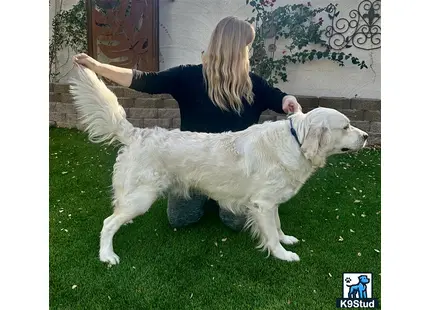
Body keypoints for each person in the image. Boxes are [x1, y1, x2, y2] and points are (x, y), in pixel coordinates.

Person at [73, 16, 300, 231]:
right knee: (180, 219)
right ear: (239, 50)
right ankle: (208, 197)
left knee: (236, 223)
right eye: (246, 47)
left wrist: (287, 100)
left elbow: (278, 98)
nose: (247, 51)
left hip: (235, 172)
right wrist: (98, 67)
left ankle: (218, 199)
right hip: (191, 166)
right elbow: (144, 80)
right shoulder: (189, 76)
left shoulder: (253, 85)